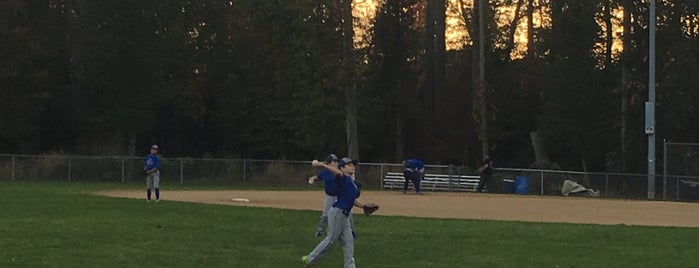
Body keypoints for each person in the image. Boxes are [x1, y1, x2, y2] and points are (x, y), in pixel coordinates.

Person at [302, 157, 368, 268]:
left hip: (345, 215)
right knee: (331, 240)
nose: (352, 166)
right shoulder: (342, 178)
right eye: (349, 165)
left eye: (353, 164)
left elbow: (351, 199)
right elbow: (337, 172)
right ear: (342, 168)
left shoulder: (351, 182)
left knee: (348, 243)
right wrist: (322, 165)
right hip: (337, 213)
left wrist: (363, 206)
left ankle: (350, 266)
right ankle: (310, 259)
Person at [307, 154, 340, 238]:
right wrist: (313, 179)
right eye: (334, 161)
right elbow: (317, 178)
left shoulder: (339, 172)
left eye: (337, 161)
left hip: (340, 196)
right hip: (329, 197)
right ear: (329, 163)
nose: (336, 163)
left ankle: (351, 232)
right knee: (325, 215)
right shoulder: (325, 173)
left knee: (346, 214)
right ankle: (320, 231)